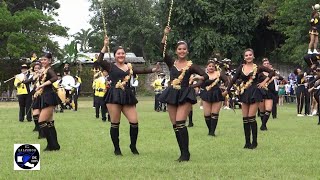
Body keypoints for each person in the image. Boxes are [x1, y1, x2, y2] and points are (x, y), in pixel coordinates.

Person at [96, 36, 161, 156]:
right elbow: (99, 61)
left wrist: (154, 69)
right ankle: (117, 148)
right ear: (115, 55)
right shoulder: (110, 66)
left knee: (134, 122)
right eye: (118, 53)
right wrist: (105, 46)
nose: (121, 55)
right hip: (114, 96)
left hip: (127, 95)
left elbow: (142, 70)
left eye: (123, 53)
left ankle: (133, 146)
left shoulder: (129, 67)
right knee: (115, 123)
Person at [159, 27, 208, 162]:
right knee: (175, 124)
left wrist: (196, 82)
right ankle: (182, 153)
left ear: (187, 51)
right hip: (172, 93)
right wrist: (165, 35)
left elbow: (205, 76)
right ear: (176, 51)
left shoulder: (191, 65)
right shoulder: (171, 63)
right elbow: (162, 50)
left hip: (185, 93)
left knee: (181, 122)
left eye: (184, 49)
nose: (182, 51)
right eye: (179, 49)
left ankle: (186, 153)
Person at [225, 48, 275, 149]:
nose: (248, 57)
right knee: (245, 118)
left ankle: (254, 142)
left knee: (251, 117)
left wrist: (264, 82)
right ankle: (247, 142)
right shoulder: (241, 67)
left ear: (253, 56)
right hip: (244, 93)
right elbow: (234, 79)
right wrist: (227, 90)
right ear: (244, 57)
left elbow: (271, 72)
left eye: (250, 55)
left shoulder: (258, 67)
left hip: (255, 92)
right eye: (246, 55)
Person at [34, 53, 60, 151]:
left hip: (49, 96)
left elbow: (55, 78)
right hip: (43, 96)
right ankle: (54, 145)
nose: (43, 61)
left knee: (42, 121)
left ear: (49, 61)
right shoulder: (43, 70)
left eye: (45, 60)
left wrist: (42, 85)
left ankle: (51, 144)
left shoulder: (49, 70)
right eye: (42, 59)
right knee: (49, 123)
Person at [199, 60, 229, 136]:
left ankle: (212, 132)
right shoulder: (204, 75)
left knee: (214, 114)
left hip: (217, 94)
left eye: (212, 66)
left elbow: (226, 81)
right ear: (207, 67)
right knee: (207, 114)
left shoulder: (219, 74)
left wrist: (224, 88)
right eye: (209, 66)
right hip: (206, 94)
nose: (211, 67)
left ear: (215, 67)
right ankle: (210, 130)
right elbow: (200, 84)